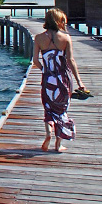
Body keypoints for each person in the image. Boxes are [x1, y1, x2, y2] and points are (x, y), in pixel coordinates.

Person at [32, 8, 85, 152]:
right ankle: (58, 144)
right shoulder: (66, 38)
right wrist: (80, 82)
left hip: (48, 78)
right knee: (61, 110)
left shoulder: (38, 38)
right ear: (59, 21)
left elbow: (35, 60)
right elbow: (70, 60)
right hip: (63, 79)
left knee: (48, 108)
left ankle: (49, 133)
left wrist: (44, 70)